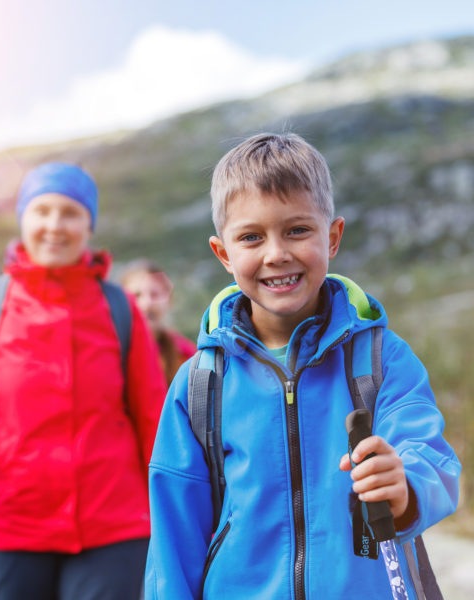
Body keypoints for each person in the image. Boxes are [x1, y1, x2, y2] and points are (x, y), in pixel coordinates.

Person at [144, 133, 461, 598]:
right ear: (224, 253)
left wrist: (405, 484)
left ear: (332, 237)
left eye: (297, 230)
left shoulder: (382, 358)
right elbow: (174, 541)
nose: (277, 253)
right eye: (252, 237)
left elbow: (428, 453)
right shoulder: (200, 385)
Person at [0, 162, 167, 600]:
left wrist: (177, 510)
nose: (55, 225)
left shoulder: (119, 308)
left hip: (114, 524)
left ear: (89, 225)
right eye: (42, 211)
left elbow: (154, 421)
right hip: (12, 524)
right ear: (23, 219)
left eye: (71, 213)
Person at [119, 259, 196, 384]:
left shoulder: (187, 356)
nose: (146, 304)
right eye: (137, 295)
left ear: (169, 300)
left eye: (154, 294)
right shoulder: (111, 353)